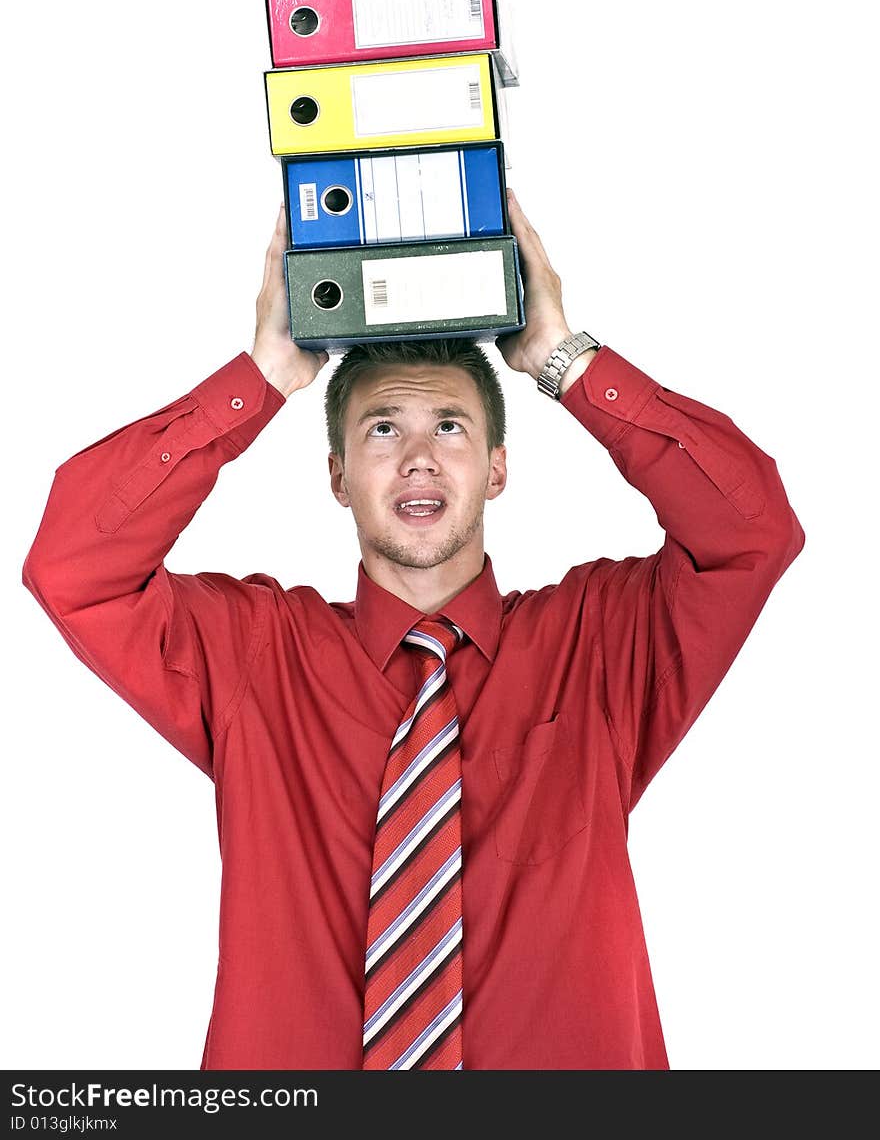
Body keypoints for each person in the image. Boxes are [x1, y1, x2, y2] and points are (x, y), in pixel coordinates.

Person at [22, 188, 805, 1070]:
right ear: (338, 475)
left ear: (498, 469)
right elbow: (71, 567)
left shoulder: (599, 646)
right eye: (383, 427)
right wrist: (264, 377)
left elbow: (754, 531)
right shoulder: (253, 655)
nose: (419, 455)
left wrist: (562, 357)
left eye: (451, 427)